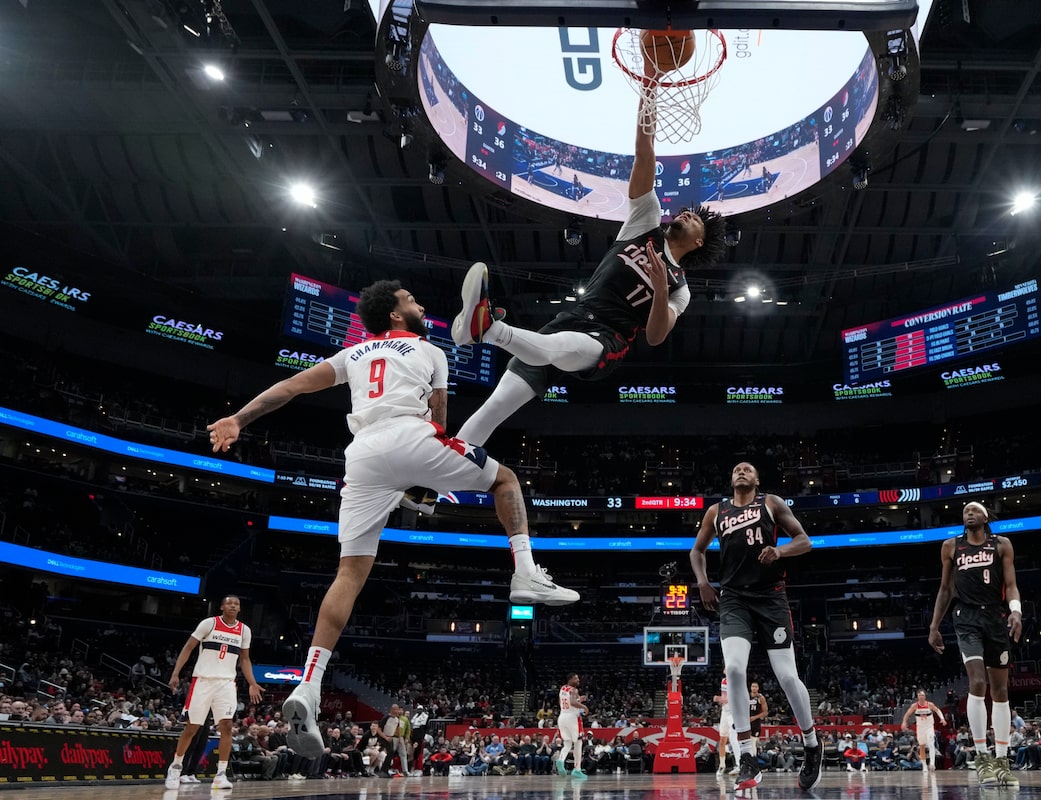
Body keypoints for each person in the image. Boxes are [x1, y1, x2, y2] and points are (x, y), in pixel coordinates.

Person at [205, 281, 579, 759]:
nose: (420, 303)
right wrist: (424, 481)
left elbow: (290, 387)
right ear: (397, 315)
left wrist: (238, 419)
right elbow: (439, 424)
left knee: (349, 573)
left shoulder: (353, 354)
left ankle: (309, 684)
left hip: (363, 455)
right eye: (411, 300)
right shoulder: (431, 350)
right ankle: (525, 572)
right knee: (505, 479)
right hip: (410, 436)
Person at [449, 87, 726, 448]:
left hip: (607, 339)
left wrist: (660, 290)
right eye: (687, 211)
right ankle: (435, 475)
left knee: (554, 346)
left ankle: (487, 329)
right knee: (494, 408)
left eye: (695, 220)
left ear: (699, 242)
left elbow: (656, 336)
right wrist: (649, 90)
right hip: (575, 315)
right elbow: (645, 151)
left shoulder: (680, 288)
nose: (687, 214)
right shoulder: (646, 221)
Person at [689, 462, 823, 792]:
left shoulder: (771, 503)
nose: (741, 471)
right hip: (734, 598)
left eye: (748, 469)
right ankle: (748, 756)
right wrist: (703, 582)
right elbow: (697, 550)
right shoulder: (716, 511)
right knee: (734, 669)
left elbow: (804, 541)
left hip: (771, 597)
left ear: (757, 479)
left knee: (788, 676)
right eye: (737, 469)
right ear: (730, 479)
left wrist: (779, 550)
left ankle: (811, 743)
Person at [928, 501, 1023, 788]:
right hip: (966, 617)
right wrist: (934, 626)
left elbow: (1011, 584)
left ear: (985, 517)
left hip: (995, 616)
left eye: (974, 510)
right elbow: (946, 589)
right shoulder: (951, 546)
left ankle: (1002, 761)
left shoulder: (1002, 544)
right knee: (978, 682)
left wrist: (1016, 611)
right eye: (965, 511)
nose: (968, 513)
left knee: (1001, 690)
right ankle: (982, 757)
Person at [164, 595, 264, 790]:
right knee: (192, 727)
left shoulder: (244, 630)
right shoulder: (209, 623)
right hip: (203, 681)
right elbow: (188, 647)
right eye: (229, 603)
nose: (233, 606)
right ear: (222, 606)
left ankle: (220, 775)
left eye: (236, 604)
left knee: (226, 726)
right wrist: (176, 673)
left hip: (226, 683)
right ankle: (175, 768)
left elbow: (245, 659)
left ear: (239, 608)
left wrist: (252, 682)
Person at [900, 689, 946, 771]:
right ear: (917, 697)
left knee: (931, 743)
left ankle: (932, 763)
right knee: (922, 746)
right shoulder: (915, 706)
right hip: (920, 728)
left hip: (929, 727)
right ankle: (924, 765)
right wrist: (904, 722)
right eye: (920, 695)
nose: (921, 697)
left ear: (925, 696)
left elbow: (937, 710)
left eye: (922, 695)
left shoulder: (930, 704)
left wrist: (942, 719)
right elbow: (907, 714)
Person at [555, 673, 589, 780]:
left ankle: (560, 760)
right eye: (575, 678)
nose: (578, 680)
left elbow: (563, 702)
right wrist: (584, 707)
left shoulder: (562, 689)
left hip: (562, 716)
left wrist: (579, 700)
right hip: (572, 718)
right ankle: (577, 769)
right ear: (570, 680)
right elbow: (573, 702)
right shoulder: (574, 690)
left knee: (567, 743)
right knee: (578, 743)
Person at [713, 668, 740, 775]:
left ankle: (739, 764)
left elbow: (737, 698)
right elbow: (725, 697)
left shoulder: (735, 682)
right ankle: (722, 765)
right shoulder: (723, 681)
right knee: (722, 740)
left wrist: (720, 699)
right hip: (725, 711)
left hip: (733, 713)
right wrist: (720, 699)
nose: (724, 669)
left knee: (733, 738)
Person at [748, 681, 768, 752]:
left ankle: (754, 757)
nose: (754, 688)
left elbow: (765, 712)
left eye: (755, 687)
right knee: (746, 741)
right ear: (750, 688)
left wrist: (755, 717)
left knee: (753, 741)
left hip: (755, 722)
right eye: (753, 686)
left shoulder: (761, 698)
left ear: (758, 688)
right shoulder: (747, 696)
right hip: (746, 721)